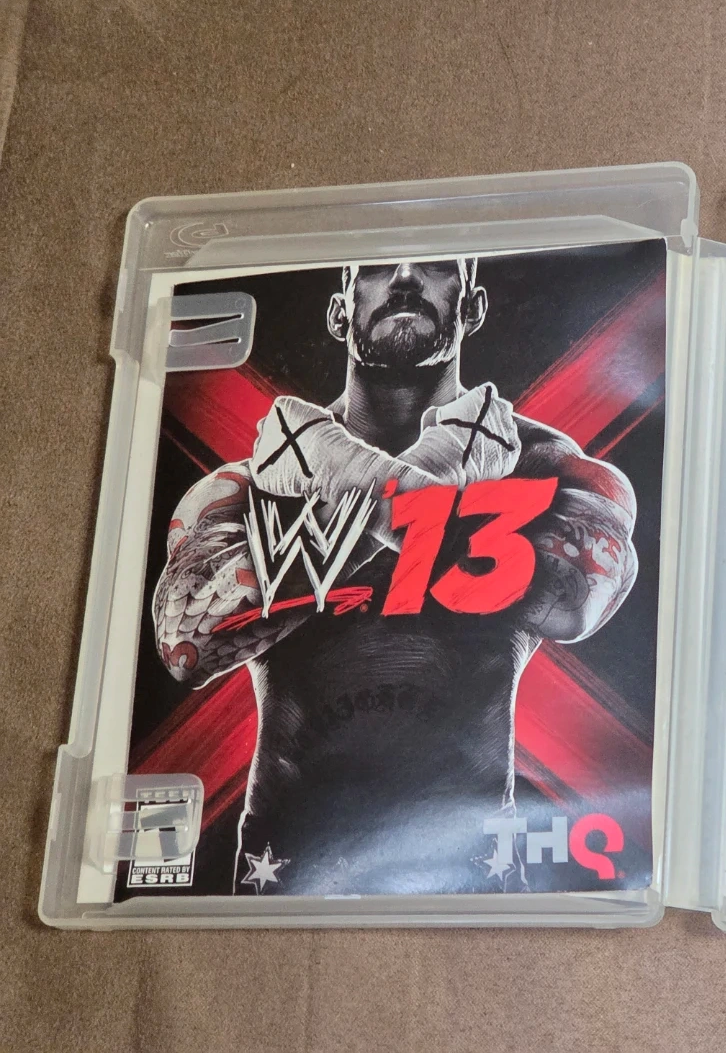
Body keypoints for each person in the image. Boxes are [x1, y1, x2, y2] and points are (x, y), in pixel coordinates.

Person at [154, 259, 638, 894]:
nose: (405, 278)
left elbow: (574, 601)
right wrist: (437, 469)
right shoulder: (251, 483)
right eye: (378, 269)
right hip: (288, 870)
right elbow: (188, 644)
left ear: (473, 307)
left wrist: (330, 466)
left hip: (473, 876)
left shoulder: (542, 465)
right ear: (339, 313)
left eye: (435, 267)